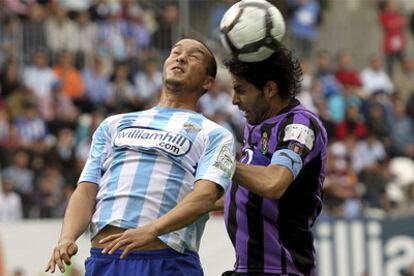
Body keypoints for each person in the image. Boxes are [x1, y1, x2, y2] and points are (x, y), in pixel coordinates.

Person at [45, 38, 236, 275]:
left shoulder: (215, 134)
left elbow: (206, 196)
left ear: (208, 81)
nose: (181, 57)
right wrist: (66, 237)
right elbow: (86, 189)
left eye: (194, 56)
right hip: (105, 262)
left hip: (166, 262)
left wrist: (152, 230)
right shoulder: (114, 124)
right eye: (175, 51)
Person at [222, 43, 328, 275]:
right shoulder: (255, 125)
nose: (234, 100)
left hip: (281, 269)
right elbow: (241, 194)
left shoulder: (300, 125)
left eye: (240, 89)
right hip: (246, 268)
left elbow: (273, 184)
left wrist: (220, 162)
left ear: (269, 89)